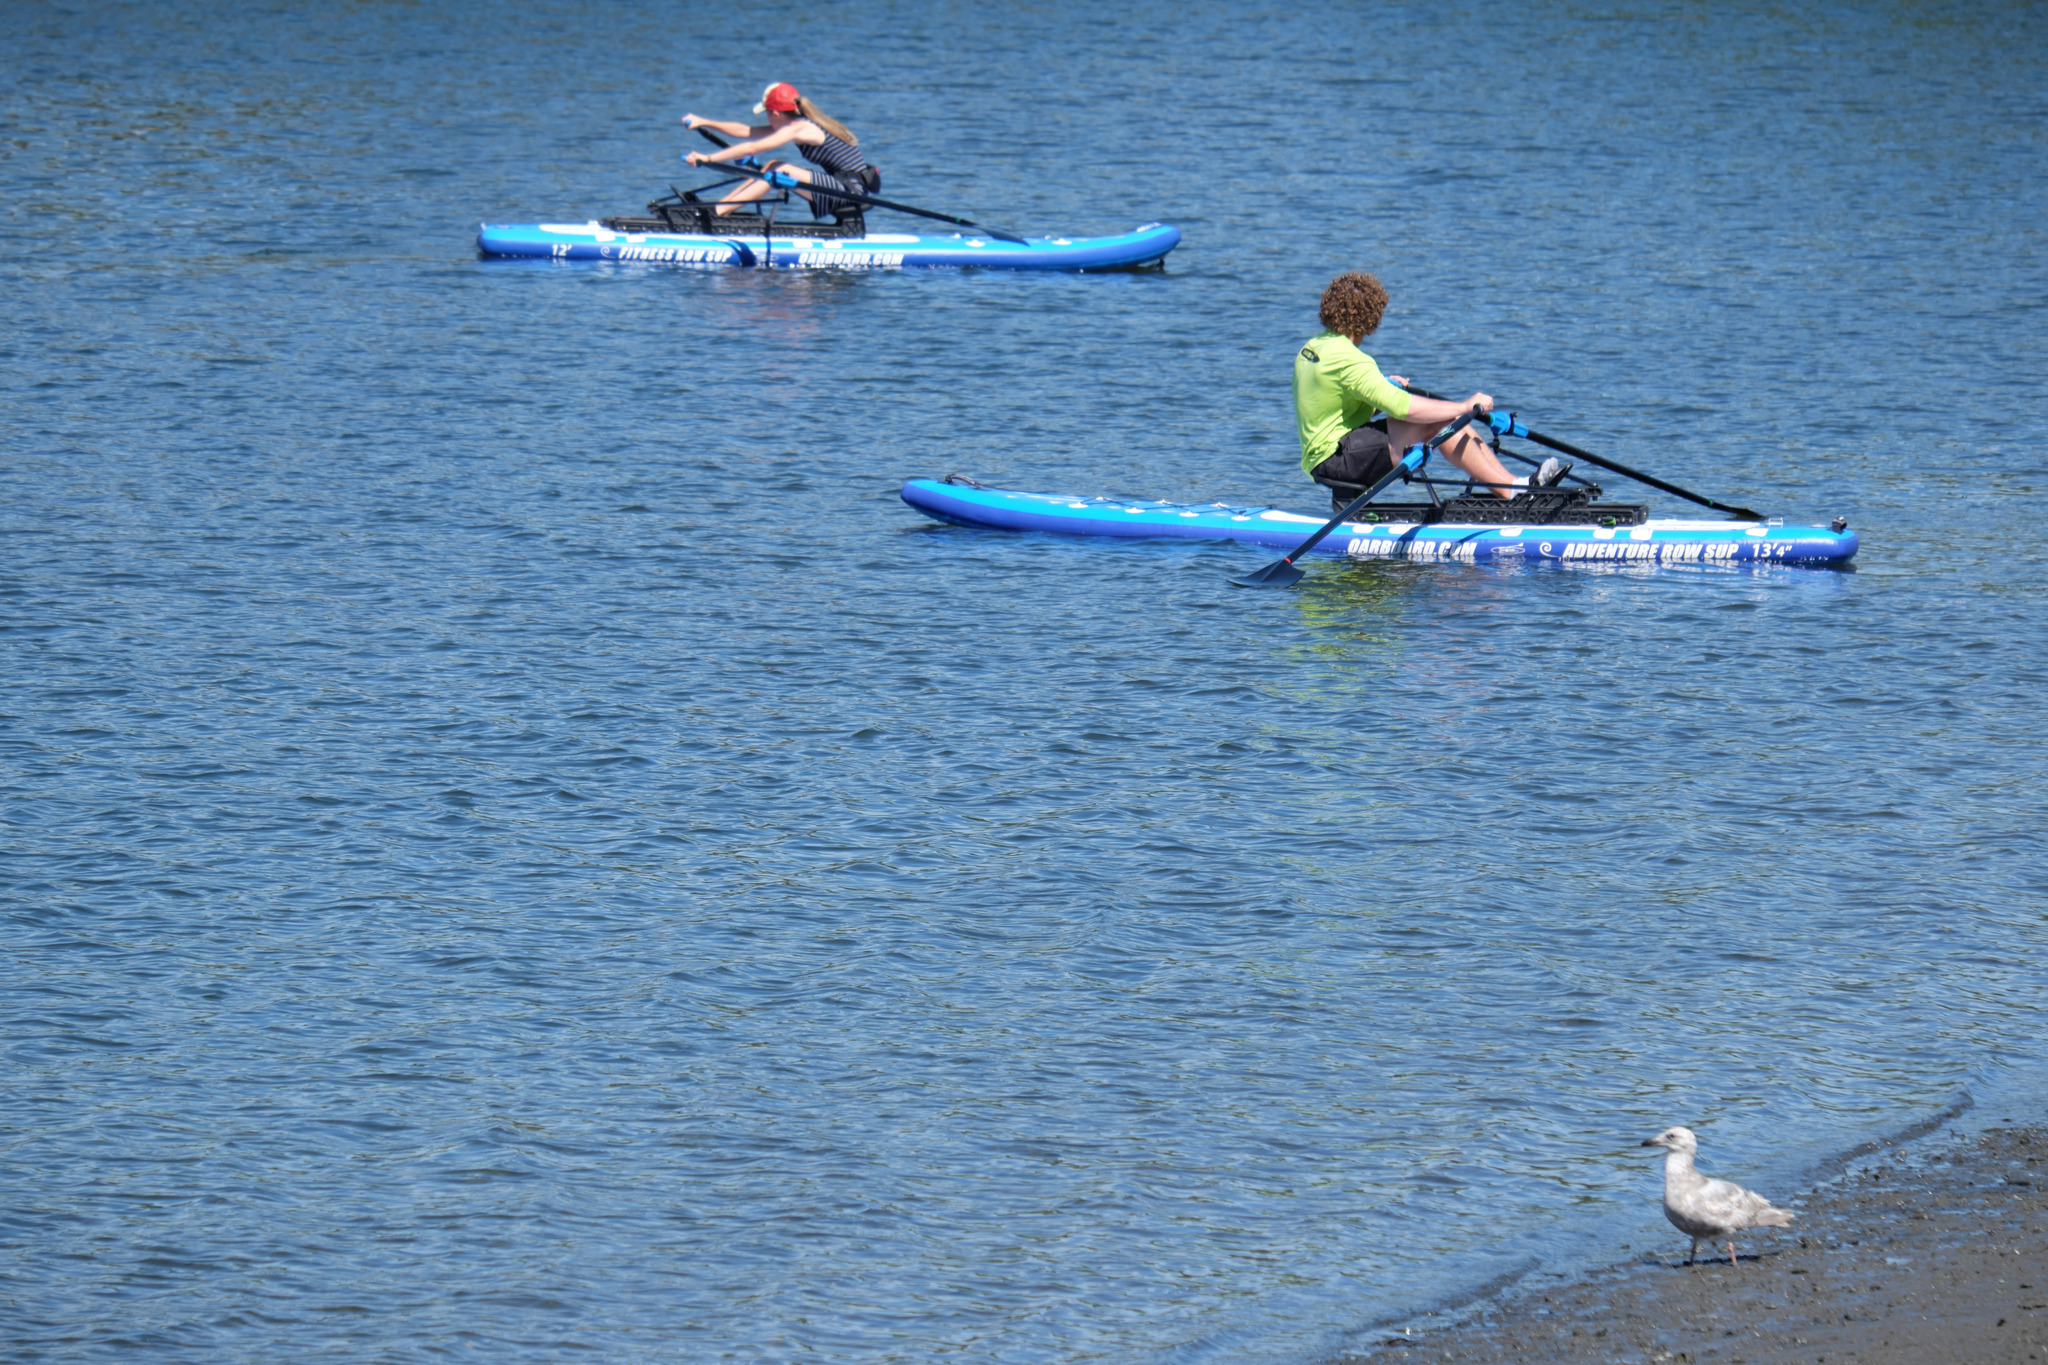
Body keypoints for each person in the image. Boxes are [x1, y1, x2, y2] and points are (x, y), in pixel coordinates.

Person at [1294, 271, 1566, 500]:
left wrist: (1377, 391)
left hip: (1325, 454)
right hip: (1336, 460)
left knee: (1447, 416)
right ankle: (1513, 492)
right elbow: (1403, 408)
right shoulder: (1352, 360)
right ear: (1371, 319)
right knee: (1442, 421)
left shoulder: (1314, 347)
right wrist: (1464, 406)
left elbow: (1332, 403)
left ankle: (1514, 486)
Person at [679, 83, 874, 221]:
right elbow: (744, 131)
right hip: (844, 187)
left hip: (852, 193)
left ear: (775, 114)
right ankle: (716, 210)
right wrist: (704, 122)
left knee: (780, 170)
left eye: (766, 113)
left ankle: (715, 214)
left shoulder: (800, 128)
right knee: (773, 166)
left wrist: (708, 158)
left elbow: (753, 147)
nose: (766, 118)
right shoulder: (797, 124)